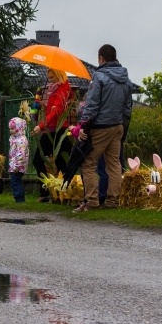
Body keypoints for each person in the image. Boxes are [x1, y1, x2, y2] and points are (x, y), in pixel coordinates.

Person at [73, 44, 133, 213]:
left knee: (88, 163)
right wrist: (123, 127)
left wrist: (83, 125)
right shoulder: (126, 80)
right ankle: (112, 201)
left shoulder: (99, 77)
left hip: (100, 126)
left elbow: (92, 104)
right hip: (117, 126)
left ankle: (92, 201)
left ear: (101, 58)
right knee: (114, 164)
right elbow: (128, 107)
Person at [31, 68, 74, 202]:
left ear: (59, 76)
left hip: (57, 130)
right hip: (53, 129)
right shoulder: (55, 89)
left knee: (41, 160)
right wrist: (43, 106)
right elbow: (53, 110)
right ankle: (58, 191)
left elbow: (56, 112)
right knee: (59, 162)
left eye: (52, 77)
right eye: (48, 77)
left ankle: (53, 191)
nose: (49, 80)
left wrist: (41, 126)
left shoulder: (62, 90)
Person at [8, 117, 29, 203]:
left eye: (13, 128)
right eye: (10, 129)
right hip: (14, 164)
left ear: (19, 128)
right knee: (15, 181)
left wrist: (17, 166)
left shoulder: (21, 140)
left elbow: (21, 154)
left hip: (18, 166)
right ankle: (19, 198)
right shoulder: (15, 138)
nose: (11, 131)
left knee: (15, 182)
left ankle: (19, 199)